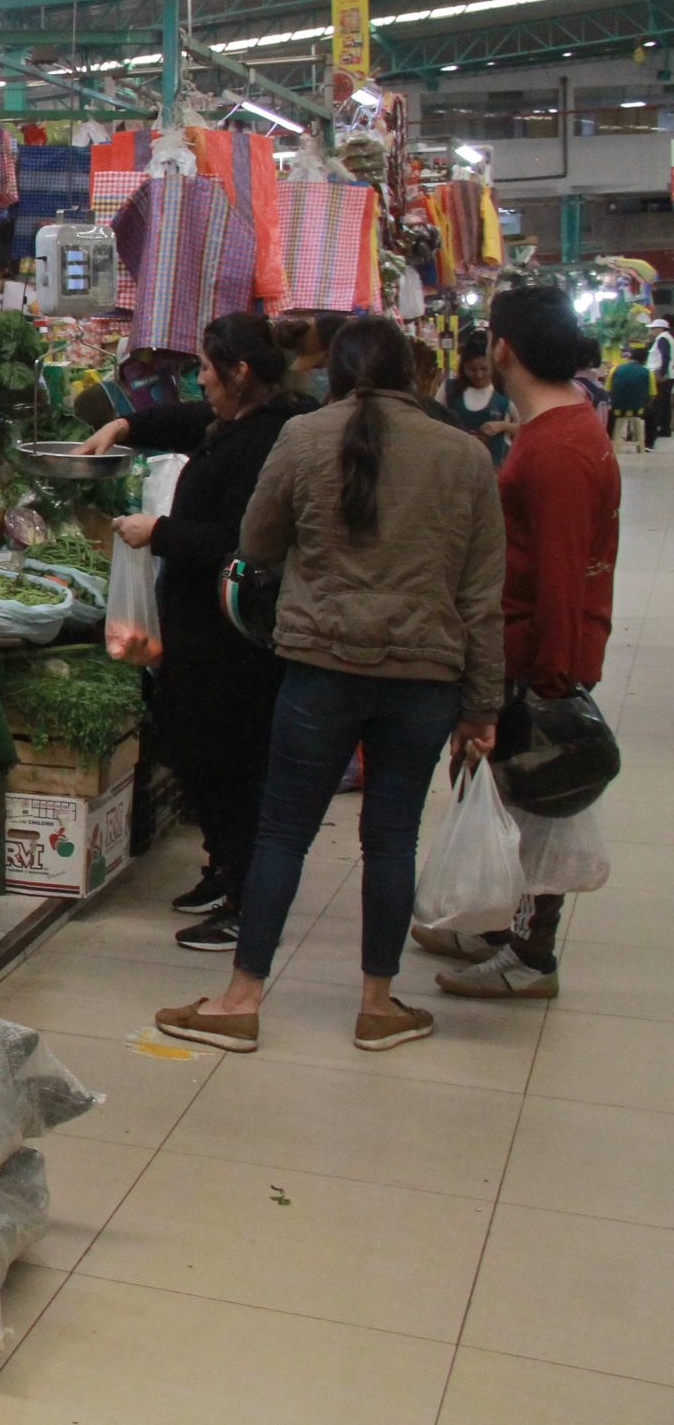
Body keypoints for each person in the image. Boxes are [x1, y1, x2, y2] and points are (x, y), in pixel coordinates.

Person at [154, 317, 505, 1055]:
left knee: (283, 833)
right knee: (392, 838)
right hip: (425, 677)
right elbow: (481, 595)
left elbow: (253, 547)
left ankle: (241, 999)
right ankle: (378, 1003)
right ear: (413, 374)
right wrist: (482, 706)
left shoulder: (304, 438)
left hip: (319, 667)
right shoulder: (464, 455)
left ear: (336, 374)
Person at [78, 314, 309, 950]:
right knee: (195, 750)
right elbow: (185, 420)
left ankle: (246, 900)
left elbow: (243, 540)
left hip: (235, 637)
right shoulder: (238, 420)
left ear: (239, 373)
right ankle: (223, 868)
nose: (198, 380)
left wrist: (159, 534)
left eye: (207, 369)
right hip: (199, 631)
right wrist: (124, 424)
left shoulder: (271, 440)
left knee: (229, 762)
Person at [427, 285, 621, 999]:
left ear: (502, 348)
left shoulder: (559, 447)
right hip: (524, 646)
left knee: (538, 807)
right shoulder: (553, 431)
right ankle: (495, 925)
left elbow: (565, 574)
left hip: (539, 655)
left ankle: (530, 955)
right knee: (507, 797)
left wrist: (552, 679)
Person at [443, 331, 516, 466]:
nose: (478, 375)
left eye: (484, 369)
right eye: (472, 369)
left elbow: (526, 429)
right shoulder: (449, 389)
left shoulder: (505, 391)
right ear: (463, 366)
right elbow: (431, 419)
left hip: (494, 468)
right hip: (455, 465)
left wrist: (503, 426)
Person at [609, 343, 653, 449]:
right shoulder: (648, 373)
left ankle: (609, 439)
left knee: (610, 416)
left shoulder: (614, 370)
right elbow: (652, 395)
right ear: (645, 360)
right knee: (652, 416)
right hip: (638, 409)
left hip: (616, 409)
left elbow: (609, 391)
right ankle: (648, 444)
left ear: (630, 357)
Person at [647, 317, 674, 449]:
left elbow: (665, 356)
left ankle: (659, 427)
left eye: (653, 329)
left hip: (662, 375)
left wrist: (662, 373)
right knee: (664, 403)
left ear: (660, 328)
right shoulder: (666, 338)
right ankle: (664, 428)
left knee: (659, 403)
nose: (651, 331)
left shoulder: (663, 338)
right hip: (667, 375)